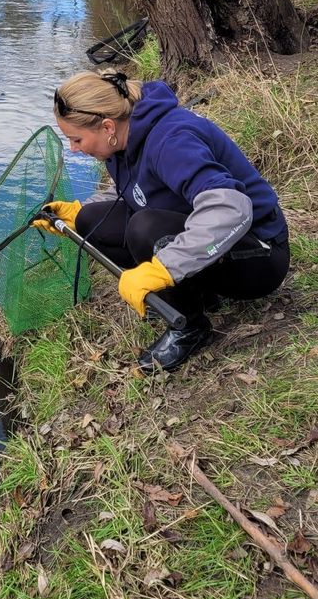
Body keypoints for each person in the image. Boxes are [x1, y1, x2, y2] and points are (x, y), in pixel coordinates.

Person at [34, 70, 289, 374]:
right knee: (92, 220)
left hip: (260, 254)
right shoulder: (122, 141)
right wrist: (76, 214)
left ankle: (190, 327)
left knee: (144, 228)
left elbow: (232, 209)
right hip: (218, 246)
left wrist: (165, 268)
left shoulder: (171, 139)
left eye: (76, 139)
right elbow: (132, 189)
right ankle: (198, 293)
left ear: (106, 126)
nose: (74, 149)